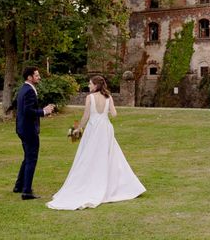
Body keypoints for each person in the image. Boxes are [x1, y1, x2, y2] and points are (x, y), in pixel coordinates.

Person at [47, 75, 145, 210]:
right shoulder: (108, 97)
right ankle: (118, 184)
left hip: (93, 128)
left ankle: (91, 182)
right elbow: (114, 114)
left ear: (96, 85)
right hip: (105, 128)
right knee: (108, 156)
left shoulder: (90, 98)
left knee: (89, 155)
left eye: (90, 84)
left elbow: (86, 116)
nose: (88, 86)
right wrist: (109, 108)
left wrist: (77, 129)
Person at [14, 66, 55, 200]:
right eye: (36, 75)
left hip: (22, 128)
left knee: (27, 157)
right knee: (31, 158)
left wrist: (42, 110)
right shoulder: (29, 91)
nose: (39, 77)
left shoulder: (24, 89)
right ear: (29, 77)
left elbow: (26, 109)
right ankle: (26, 192)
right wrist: (44, 112)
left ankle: (19, 186)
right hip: (28, 130)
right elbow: (28, 111)